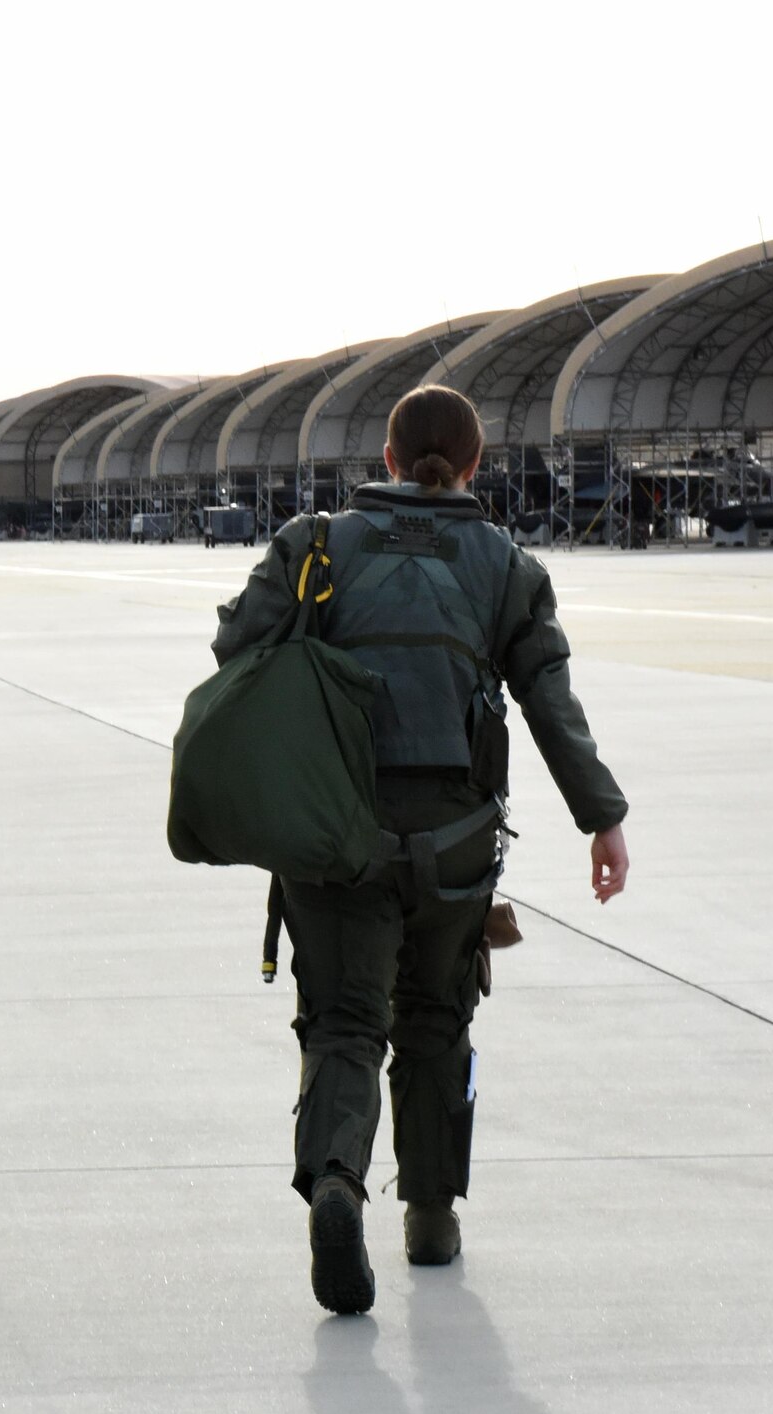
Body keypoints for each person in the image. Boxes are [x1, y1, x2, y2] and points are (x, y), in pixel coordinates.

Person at [212, 385, 630, 1315]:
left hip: (334, 835)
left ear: (388, 461)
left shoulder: (315, 545)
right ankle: (431, 1219)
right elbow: (550, 704)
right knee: (438, 1018)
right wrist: (601, 817)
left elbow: (232, 646)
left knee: (342, 1022)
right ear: (474, 466)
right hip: (455, 843)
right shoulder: (504, 564)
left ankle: (336, 1180)